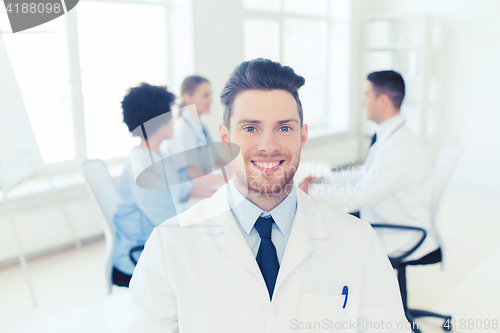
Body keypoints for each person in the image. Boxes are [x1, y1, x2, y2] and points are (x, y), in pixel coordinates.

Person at [129, 60, 411, 332]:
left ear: (302, 137)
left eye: (284, 128)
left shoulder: (358, 242)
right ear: (225, 139)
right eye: (250, 128)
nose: (268, 146)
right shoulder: (169, 245)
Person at [300, 70, 438, 261]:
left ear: (382, 101)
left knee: (322, 240)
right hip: (387, 219)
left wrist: (312, 190)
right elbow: (365, 173)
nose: (363, 102)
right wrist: (324, 180)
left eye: (367, 96)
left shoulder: (399, 148)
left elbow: (359, 197)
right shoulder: (393, 136)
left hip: (399, 233)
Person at [112, 82, 212, 288]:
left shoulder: (157, 156)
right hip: (138, 256)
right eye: (170, 115)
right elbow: (168, 223)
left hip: (158, 243)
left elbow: (186, 189)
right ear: (159, 121)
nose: (174, 120)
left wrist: (223, 194)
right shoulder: (143, 167)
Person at [161, 75, 228, 189]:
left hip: (204, 188)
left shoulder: (201, 127)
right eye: (205, 95)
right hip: (189, 195)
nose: (211, 100)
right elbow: (197, 178)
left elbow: (218, 160)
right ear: (188, 97)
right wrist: (232, 178)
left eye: (210, 95)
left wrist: (241, 171)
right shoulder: (182, 130)